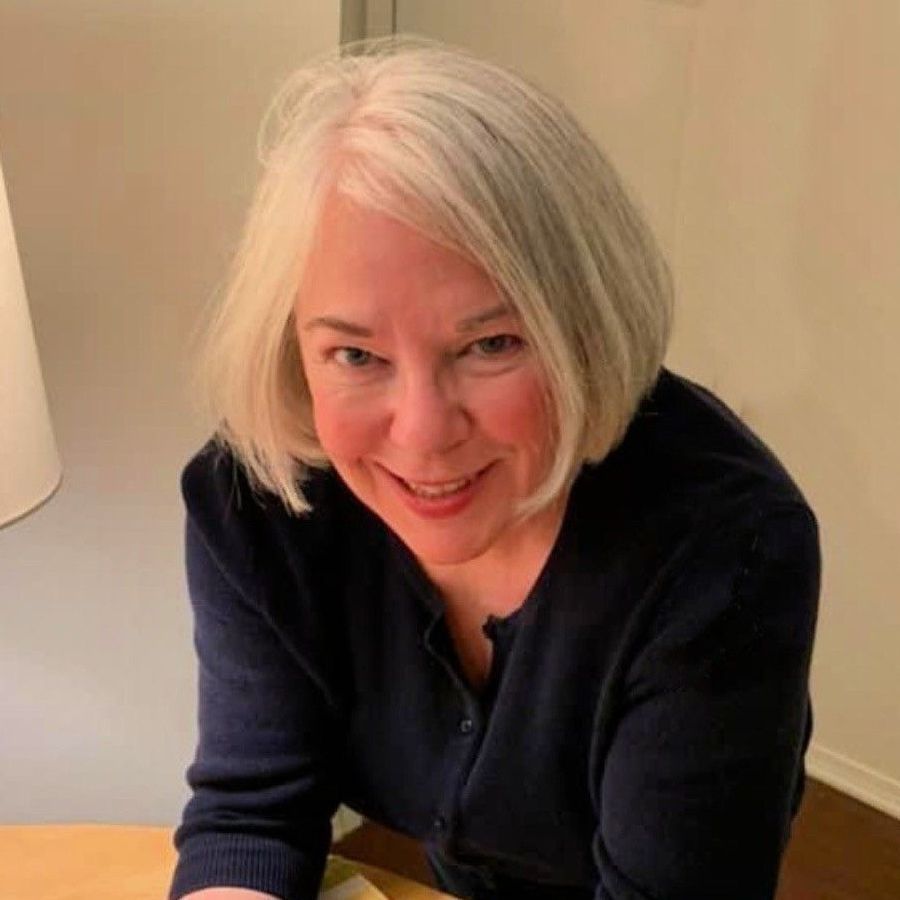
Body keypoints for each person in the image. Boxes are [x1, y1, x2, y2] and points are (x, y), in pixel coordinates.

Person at [168, 37, 821, 900]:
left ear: (581, 324)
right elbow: (252, 815)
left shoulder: (725, 553)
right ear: (292, 343)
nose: (425, 433)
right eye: (355, 354)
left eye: (490, 344)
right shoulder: (256, 501)